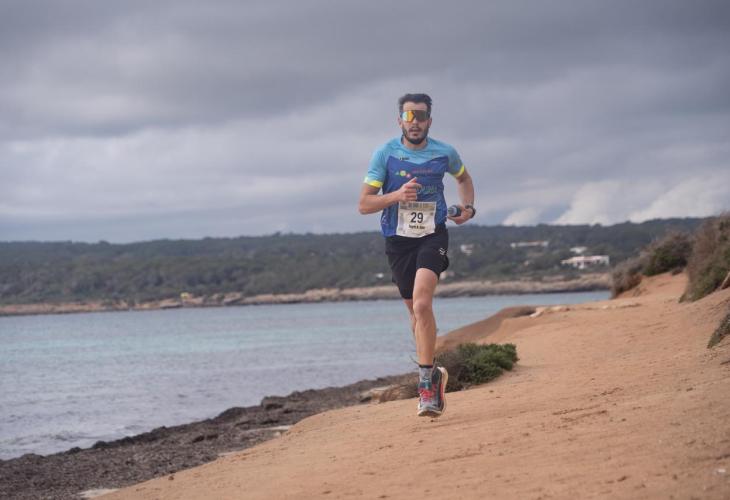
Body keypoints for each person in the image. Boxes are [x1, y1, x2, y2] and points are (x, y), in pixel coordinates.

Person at [358, 93, 476, 417]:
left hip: (432, 235)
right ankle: (434, 372)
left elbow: (463, 178)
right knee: (414, 314)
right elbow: (364, 204)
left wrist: (468, 208)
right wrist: (396, 195)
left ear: (429, 121)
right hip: (398, 242)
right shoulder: (385, 154)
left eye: (420, 116)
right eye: (408, 117)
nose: (414, 123)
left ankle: (426, 386)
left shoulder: (444, 152)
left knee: (423, 304)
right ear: (400, 121)